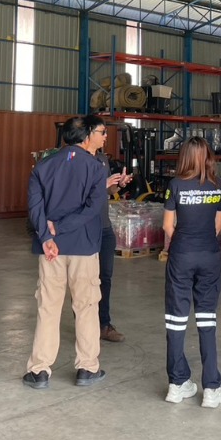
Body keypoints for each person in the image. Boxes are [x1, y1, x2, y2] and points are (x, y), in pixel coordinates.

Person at [23, 115, 108, 390]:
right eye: (100, 132)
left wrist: (47, 235)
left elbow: (35, 207)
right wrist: (59, 228)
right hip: (83, 247)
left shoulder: (43, 165)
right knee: (86, 307)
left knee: (48, 307)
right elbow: (92, 208)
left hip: (50, 249)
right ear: (86, 136)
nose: (104, 137)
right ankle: (87, 367)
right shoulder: (95, 168)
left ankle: (39, 370)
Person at [162, 138, 221, 408]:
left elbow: (167, 226)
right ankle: (211, 388)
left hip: (181, 256)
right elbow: (218, 226)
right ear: (207, 157)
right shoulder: (217, 185)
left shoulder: (175, 185)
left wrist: (183, 243)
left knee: (176, 321)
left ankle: (177, 384)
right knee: (207, 320)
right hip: (209, 256)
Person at [93, 140, 131, 343]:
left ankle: (104, 324)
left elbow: (109, 191)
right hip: (85, 228)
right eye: (102, 132)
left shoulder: (102, 159)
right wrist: (103, 184)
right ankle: (86, 326)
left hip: (105, 227)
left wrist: (119, 185)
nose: (105, 137)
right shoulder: (76, 160)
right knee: (85, 280)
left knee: (105, 278)